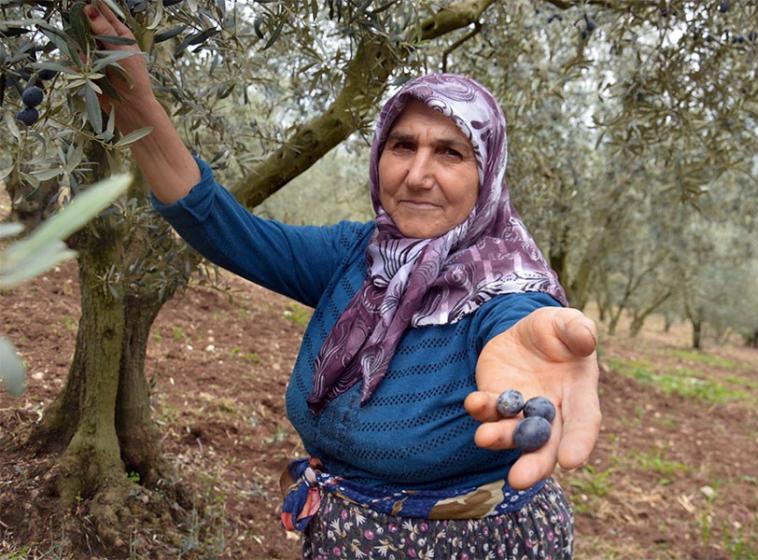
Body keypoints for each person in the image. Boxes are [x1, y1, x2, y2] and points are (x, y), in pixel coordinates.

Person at [84, 4, 601, 558]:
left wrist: (534, 333)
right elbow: (224, 229)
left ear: (488, 174)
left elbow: (518, 322)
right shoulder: (360, 256)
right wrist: (136, 100)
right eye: (403, 146)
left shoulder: (504, 283)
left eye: (450, 153)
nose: (417, 174)